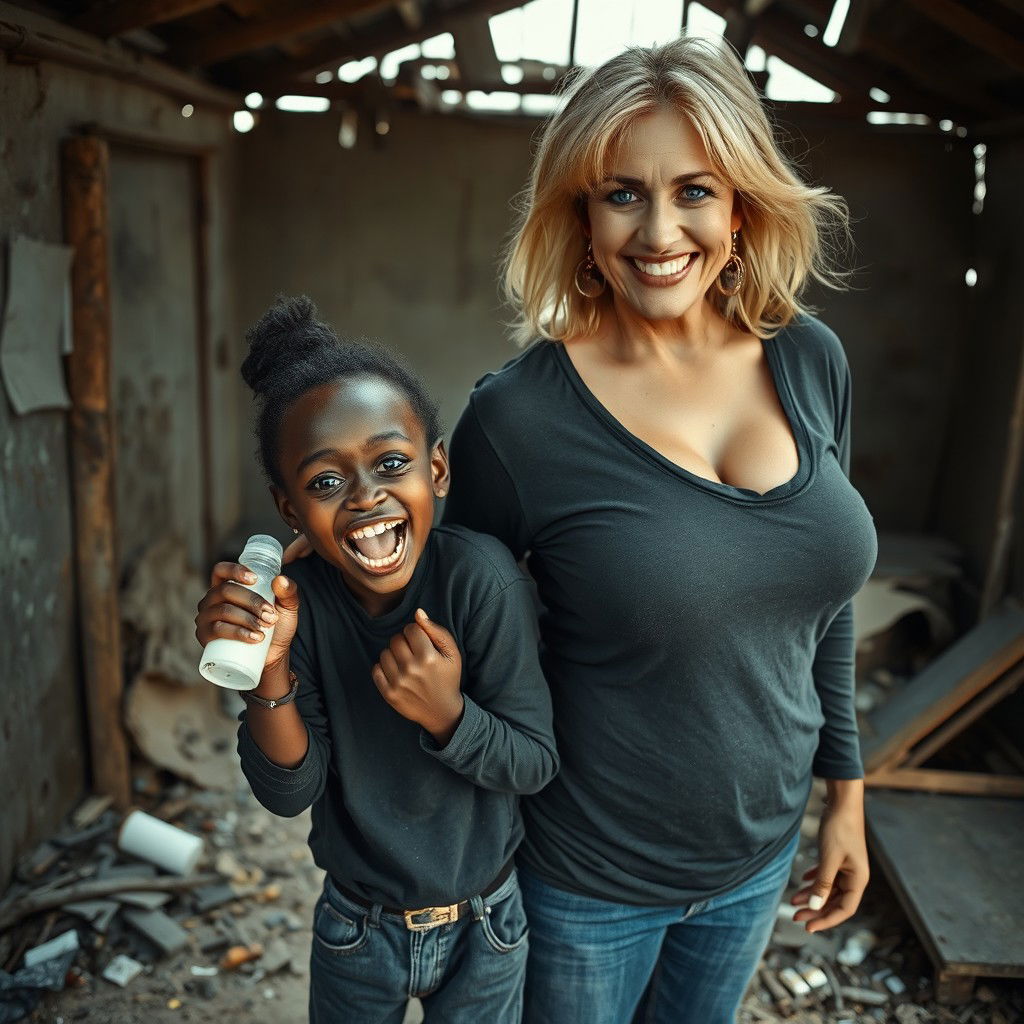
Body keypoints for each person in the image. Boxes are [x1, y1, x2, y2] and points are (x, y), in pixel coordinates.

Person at [439, 36, 879, 1024]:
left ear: (739, 205)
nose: (659, 229)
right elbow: (449, 631)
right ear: (580, 212)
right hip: (583, 880)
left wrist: (843, 794)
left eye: (694, 190)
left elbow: (823, 604)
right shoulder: (519, 420)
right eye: (621, 193)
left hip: (757, 862)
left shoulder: (809, 358)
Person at [194, 296, 559, 1023]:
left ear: (438, 469)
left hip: (487, 919)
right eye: (325, 482)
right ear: (290, 509)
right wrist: (269, 671)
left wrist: (448, 715)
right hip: (357, 926)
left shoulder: (480, 582)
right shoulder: (300, 607)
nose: (365, 497)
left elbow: (533, 762)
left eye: (391, 463)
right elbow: (288, 793)